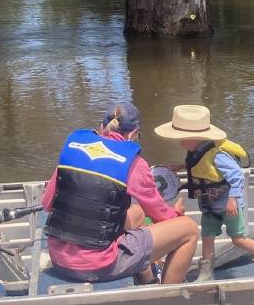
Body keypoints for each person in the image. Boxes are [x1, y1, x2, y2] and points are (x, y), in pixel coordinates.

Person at [40, 102, 199, 284]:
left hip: (59, 258)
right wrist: (177, 213)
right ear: (133, 134)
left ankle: (145, 276)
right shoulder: (135, 164)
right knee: (189, 229)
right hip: (98, 266)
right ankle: (166, 296)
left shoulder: (73, 149)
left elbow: (47, 204)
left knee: (137, 213)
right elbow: (162, 217)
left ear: (101, 127)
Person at [155, 105, 254, 281]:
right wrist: (180, 166)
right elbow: (198, 165)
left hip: (229, 205)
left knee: (238, 239)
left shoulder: (217, 155)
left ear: (199, 137)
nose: (181, 142)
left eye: (184, 138)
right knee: (207, 236)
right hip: (209, 204)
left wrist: (233, 199)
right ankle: (206, 273)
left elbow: (237, 176)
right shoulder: (194, 151)